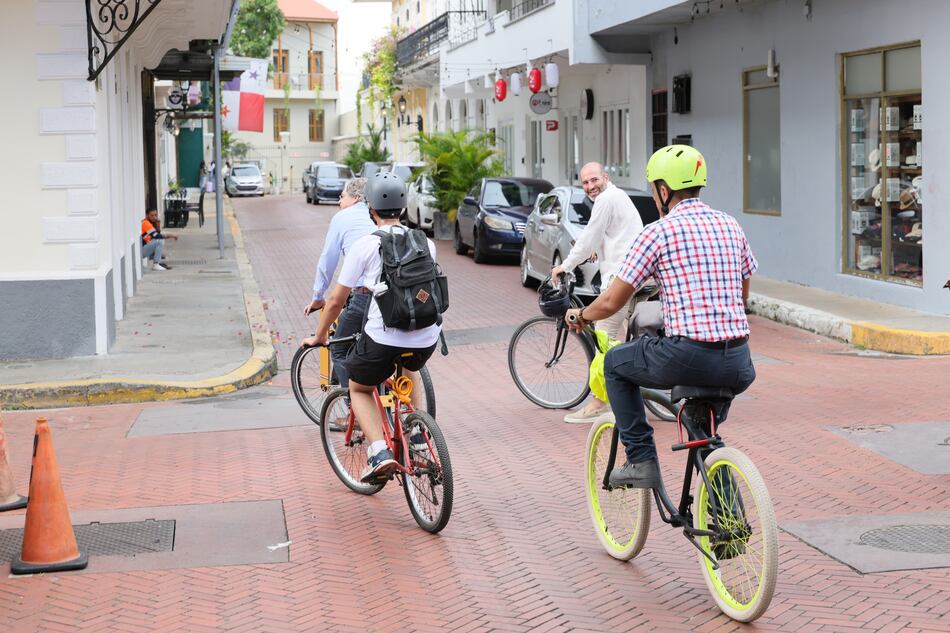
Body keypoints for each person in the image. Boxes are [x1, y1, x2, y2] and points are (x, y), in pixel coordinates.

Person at [565, 145, 758, 489]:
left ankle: (641, 461)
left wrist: (581, 314)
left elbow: (611, 302)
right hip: (739, 361)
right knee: (702, 431)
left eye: (654, 188)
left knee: (615, 365)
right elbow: (743, 295)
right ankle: (723, 509)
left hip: (688, 356)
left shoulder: (658, 232)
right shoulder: (731, 225)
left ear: (664, 191)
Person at [302, 172, 441, 482]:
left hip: (383, 337)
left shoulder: (365, 246)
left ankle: (379, 451)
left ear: (371, 210)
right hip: (426, 336)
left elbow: (337, 300)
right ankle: (418, 435)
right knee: (410, 366)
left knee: (360, 386)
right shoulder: (426, 243)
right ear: (404, 208)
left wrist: (320, 335)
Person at [551, 162, 644, 424]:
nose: (591, 186)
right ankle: (625, 396)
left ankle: (599, 403)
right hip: (633, 276)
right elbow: (613, 234)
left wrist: (565, 266)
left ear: (606, 177)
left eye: (594, 180)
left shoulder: (606, 199)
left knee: (603, 338)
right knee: (619, 344)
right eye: (585, 183)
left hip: (621, 280)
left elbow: (588, 238)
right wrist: (598, 247)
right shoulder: (616, 197)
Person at [303, 177, 375, 389]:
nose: (339, 202)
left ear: (355, 197)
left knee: (339, 349)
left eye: (341, 196)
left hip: (363, 295)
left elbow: (327, 263)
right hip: (390, 296)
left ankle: (357, 409)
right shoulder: (377, 215)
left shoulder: (342, 218)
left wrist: (318, 297)